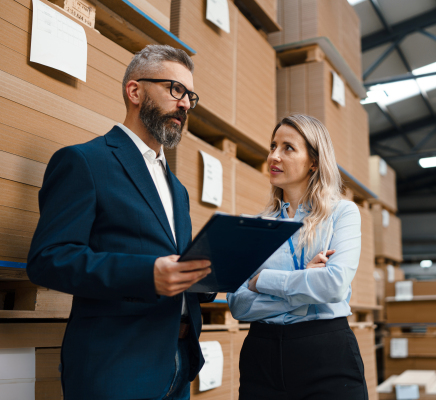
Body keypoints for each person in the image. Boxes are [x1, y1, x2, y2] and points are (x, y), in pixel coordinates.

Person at [27, 45, 216, 400]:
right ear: (135, 91)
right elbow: (48, 260)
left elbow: (174, 263)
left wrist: (207, 276)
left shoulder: (178, 190)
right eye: (175, 90)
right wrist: (148, 275)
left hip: (177, 364)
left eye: (190, 96)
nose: (185, 104)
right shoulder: (84, 162)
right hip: (116, 366)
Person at [227, 114, 368, 399]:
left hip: (327, 354)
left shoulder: (342, 213)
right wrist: (305, 284)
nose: (274, 156)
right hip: (261, 357)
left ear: (314, 161)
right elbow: (238, 305)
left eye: (288, 148)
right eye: (272, 146)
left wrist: (262, 280)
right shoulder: (255, 226)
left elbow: (334, 285)